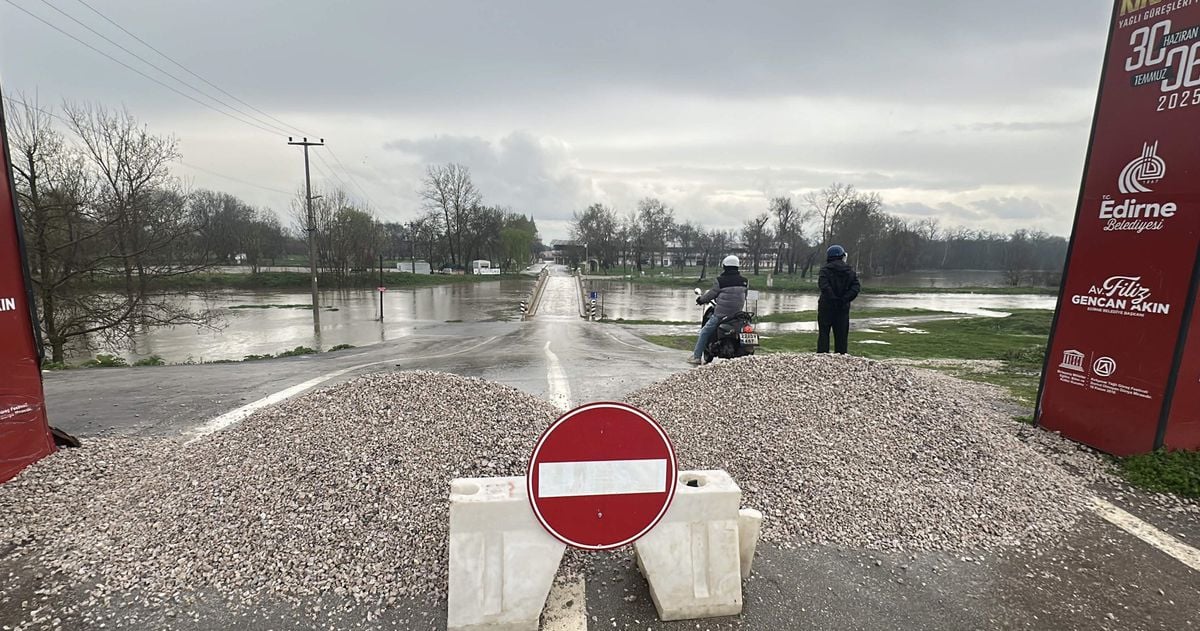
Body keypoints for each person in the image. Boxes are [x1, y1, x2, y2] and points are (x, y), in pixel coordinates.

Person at [688, 255, 748, 365]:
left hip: (721, 315)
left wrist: (701, 300)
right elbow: (745, 295)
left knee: (704, 332)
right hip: (737, 315)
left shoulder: (720, 281)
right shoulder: (744, 281)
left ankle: (696, 357)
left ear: (725, 266)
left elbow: (711, 294)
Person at [817, 244, 860, 354]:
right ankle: (841, 358)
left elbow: (824, 286)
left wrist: (833, 299)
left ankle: (822, 356)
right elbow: (855, 288)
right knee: (842, 336)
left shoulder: (824, 270)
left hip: (826, 306)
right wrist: (844, 299)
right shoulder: (849, 271)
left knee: (824, 334)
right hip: (843, 308)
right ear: (842, 256)